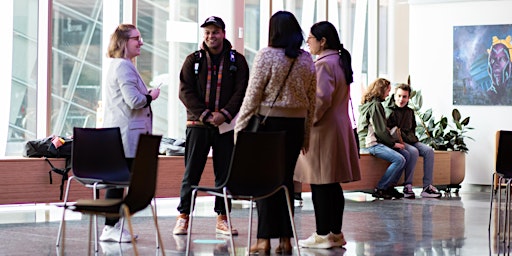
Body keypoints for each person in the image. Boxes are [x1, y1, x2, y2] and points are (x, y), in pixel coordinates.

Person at [234, 11, 316, 254]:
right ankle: (286, 239)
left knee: (264, 182)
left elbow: (253, 94)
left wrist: (240, 128)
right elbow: (312, 100)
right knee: (285, 181)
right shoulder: (306, 59)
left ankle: (263, 241)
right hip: (294, 127)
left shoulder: (266, 55)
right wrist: (306, 135)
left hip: (268, 127)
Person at [173, 16, 249, 236]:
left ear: (223, 33)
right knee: (191, 173)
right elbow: (185, 92)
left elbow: (241, 91)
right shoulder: (192, 60)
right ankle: (183, 217)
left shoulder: (238, 61)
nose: (210, 36)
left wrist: (224, 115)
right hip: (198, 125)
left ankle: (222, 218)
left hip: (225, 126)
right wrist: (206, 115)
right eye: (207, 32)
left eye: (215, 32)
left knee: (224, 174)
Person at [294, 21, 361, 249]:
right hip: (337, 128)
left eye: (311, 38)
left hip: (322, 131)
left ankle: (323, 234)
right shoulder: (338, 61)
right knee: (332, 185)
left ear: (323, 41)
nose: (308, 42)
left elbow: (320, 101)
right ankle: (335, 233)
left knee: (320, 183)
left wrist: (305, 126)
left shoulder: (323, 65)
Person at [101, 24, 160, 242]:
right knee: (119, 184)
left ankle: (112, 226)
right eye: (137, 38)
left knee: (119, 183)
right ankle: (110, 227)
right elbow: (134, 101)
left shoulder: (121, 65)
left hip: (123, 134)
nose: (141, 42)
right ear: (124, 42)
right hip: (126, 136)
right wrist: (151, 95)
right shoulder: (123, 67)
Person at [384, 83, 442, 198]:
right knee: (413, 151)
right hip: (398, 142)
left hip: (411, 140)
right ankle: (407, 186)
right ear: (394, 95)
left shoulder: (410, 112)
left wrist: (412, 139)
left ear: (408, 98)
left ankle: (427, 187)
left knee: (429, 151)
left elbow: (413, 129)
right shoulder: (388, 111)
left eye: (404, 96)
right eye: (399, 96)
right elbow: (387, 132)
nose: (401, 99)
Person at [357, 78, 405, 200]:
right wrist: (393, 144)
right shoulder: (376, 106)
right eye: (388, 91)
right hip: (371, 144)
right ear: (381, 90)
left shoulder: (368, 104)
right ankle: (382, 188)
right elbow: (380, 130)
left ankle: (389, 187)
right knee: (400, 159)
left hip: (365, 143)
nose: (389, 94)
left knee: (401, 157)